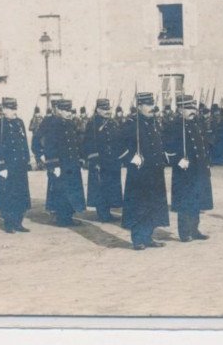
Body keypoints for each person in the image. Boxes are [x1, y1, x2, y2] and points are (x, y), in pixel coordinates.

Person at [120, 92, 170, 250]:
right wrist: (131, 158)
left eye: (152, 104)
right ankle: (138, 240)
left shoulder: (153, 123)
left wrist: (163, 156)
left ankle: (148, 237)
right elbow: (118, 145)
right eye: (148, 105)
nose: (151, 107)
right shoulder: (131, 124)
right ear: (139, 106)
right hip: (139, 173)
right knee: (139, 206)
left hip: (155, 171)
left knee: (152, 206)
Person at [165, 94, 213, 241]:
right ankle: (185, 232)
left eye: (193, 108)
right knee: (185, 201)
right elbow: (167, 148)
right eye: (188, 108)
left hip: (198, 169)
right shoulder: (174, 126)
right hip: (184, 170)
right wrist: (177, 161)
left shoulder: (197, 124)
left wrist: (206, 164)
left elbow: (204, 146)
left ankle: (194, 229)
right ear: (180, 109)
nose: (193, 111)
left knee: (197, 199)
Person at [34, 98, 86, 226]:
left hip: (71, 163)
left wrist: (79, 159)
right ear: (58, 110)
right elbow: (50, 145)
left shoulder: (70, 123)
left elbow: (75, 143)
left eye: (69, 110)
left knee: (71, 190)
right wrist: (54, 164)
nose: (68, 113)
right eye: (65, 110)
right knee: (61, 191)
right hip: (60, 164)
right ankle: (62, 218)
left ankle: (68, 216)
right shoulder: (53, 124)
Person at [0, 96, 31, 233]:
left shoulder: (19, 123)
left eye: (14, 109)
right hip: (6, 167)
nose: (13, 112)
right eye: (10, 109)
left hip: (19, 166)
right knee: (7, 196)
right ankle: (9, 223)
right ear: (3, 110)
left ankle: (18, 222)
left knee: (20, 195)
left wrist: (26, 160)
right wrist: (0, 166)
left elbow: (23, 143)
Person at [83, 97, 124, 223]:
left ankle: (108, 212)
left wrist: (120, 157)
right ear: (98, 110)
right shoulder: (92, 123)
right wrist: (95, 161)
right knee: (100, 187)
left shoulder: (112, 123)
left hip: (112, 161)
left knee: (111, 187)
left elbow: (118, 139)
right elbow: (89, 143)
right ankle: (102, 213)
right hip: (99, 161)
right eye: (104, 109)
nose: (108, 111)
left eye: (108, 109)